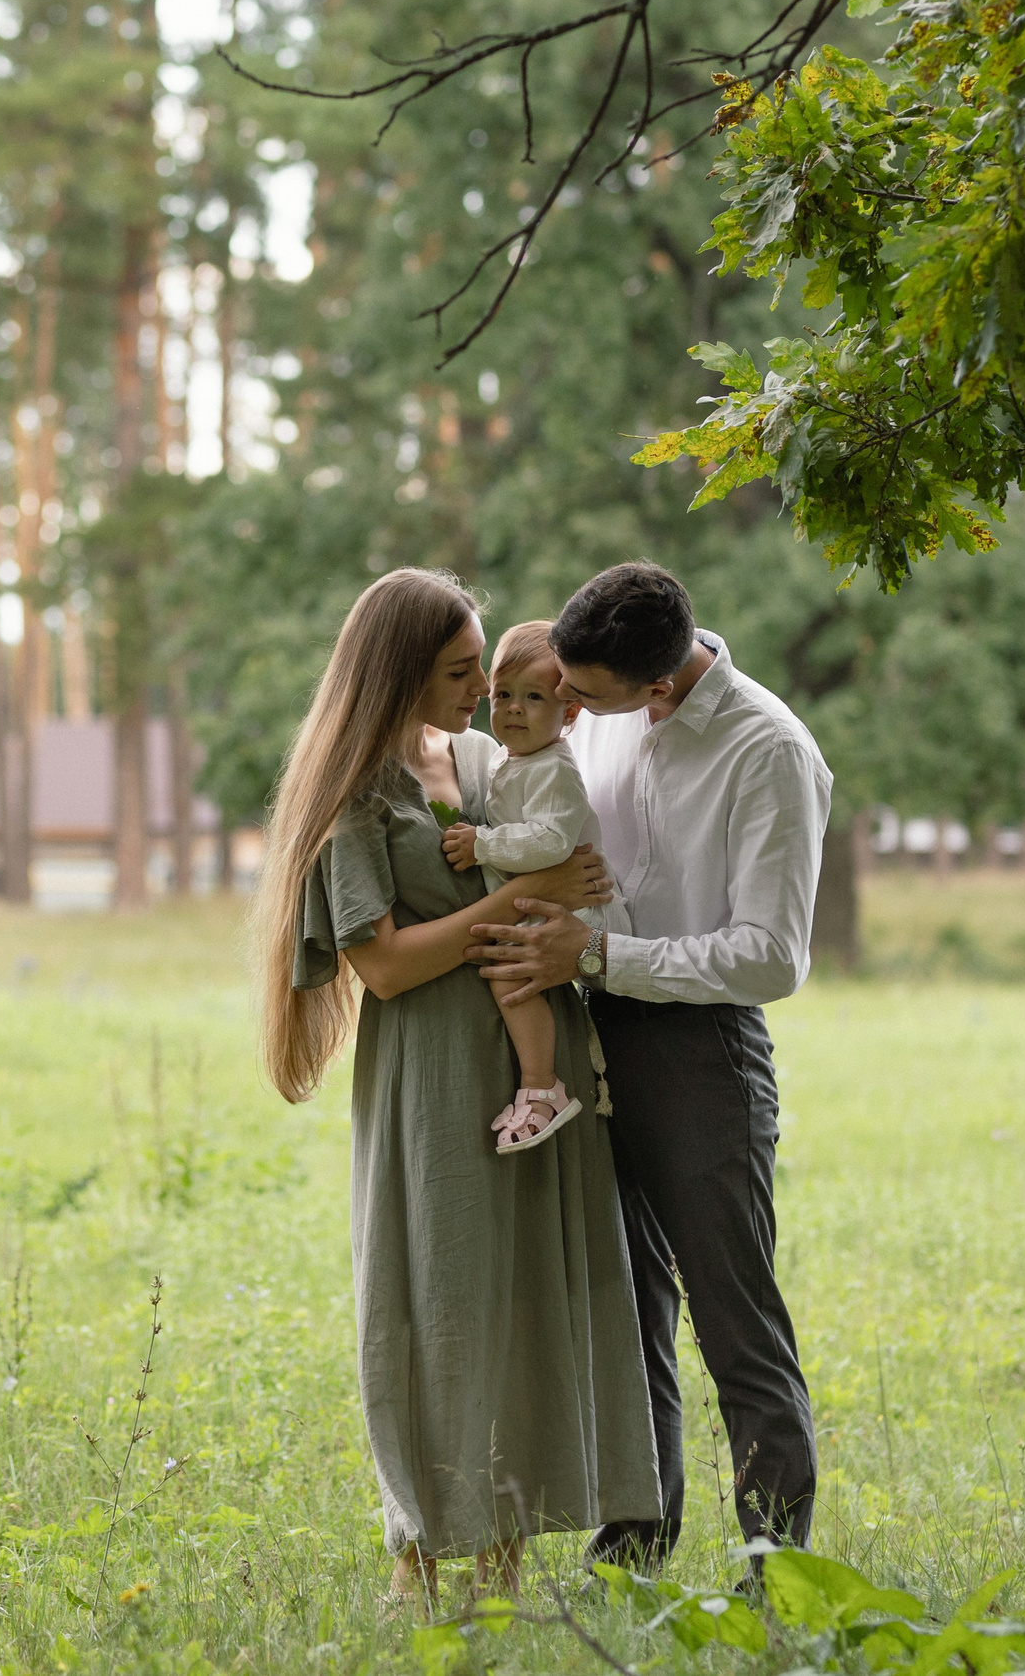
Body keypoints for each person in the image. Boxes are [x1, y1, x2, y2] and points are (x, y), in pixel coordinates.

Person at [252, 567, 661, 1605]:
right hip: (435, 1070)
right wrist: (528, 891)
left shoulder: (476, 756)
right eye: (457, 669)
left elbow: (560, 841)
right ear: (398, 672)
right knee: (439, 1300)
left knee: (532, 1293)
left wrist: (565, 893)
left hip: (539, 1071)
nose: (481, 687)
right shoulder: (358, 795)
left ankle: (508, 1556)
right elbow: (384, 965)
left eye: (483, 665)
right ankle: (419, 1554)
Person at [466, 559, 831, 1572]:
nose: (567, 709)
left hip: (702, 1050)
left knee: (733, 1314)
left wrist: (594, 951)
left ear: (658, 687)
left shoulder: (769, 751)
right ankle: (634, 1537)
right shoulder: (609, 707)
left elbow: (770, 953)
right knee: (625, 1308)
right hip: (589, 1029)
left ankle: (776, 1569)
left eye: (585, 696)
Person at [437, 620, 604, 1153]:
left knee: (511, 975)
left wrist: (482, 844)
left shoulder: (553, 769)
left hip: (572, 908)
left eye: (533, 697)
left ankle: (542, 1087)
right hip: (541, 898)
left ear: (570, 712)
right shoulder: (512, 760)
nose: (512, 708)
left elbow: (553, 842)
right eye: (503, 694)